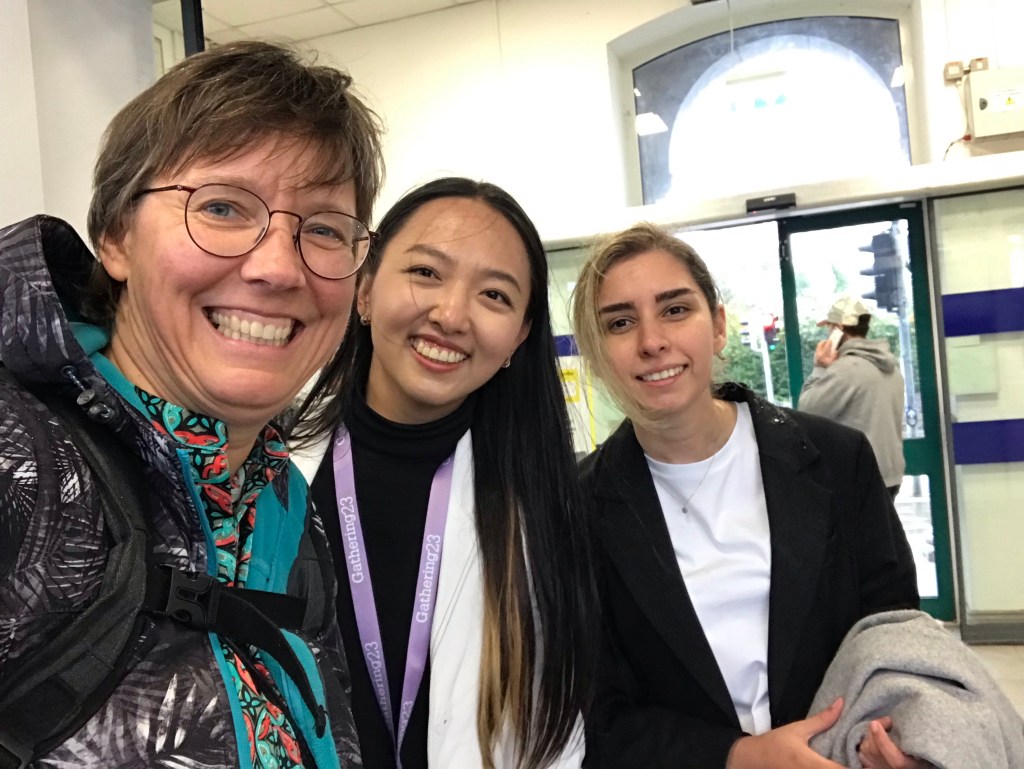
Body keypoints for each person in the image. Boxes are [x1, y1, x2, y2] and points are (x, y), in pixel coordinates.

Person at [0, 41, 384, 768]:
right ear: (116, 235)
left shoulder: (283, 507)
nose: (278, 266)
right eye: (222, 207)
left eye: (325, 229)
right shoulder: (20, 461)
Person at [569, 223, 922, 769]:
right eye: (620, 322)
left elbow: (896, 637)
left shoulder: (836, 460)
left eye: (675, 310)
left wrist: (894, 741)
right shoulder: (576, 508)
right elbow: (594, 711)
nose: (651, 341)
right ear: (595, 356)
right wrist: (738, 755)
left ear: (717, 326)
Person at [291, 177, 593, 769]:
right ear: (365, 290)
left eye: (495, 296)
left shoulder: (545, 506)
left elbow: (557, 732)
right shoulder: (263, 468)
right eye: (426, 272)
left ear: (519, 337)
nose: (451, 315)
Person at [798, 296, 906, 500]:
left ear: (838, 329)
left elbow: (807, 410)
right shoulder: (891, 367)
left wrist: (820, 368)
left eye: (829, 328)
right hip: (890, 474)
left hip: (859, 477)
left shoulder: (846, 369)